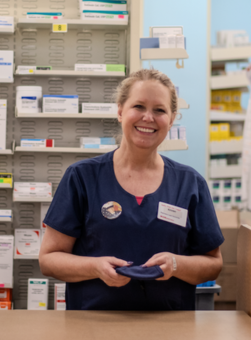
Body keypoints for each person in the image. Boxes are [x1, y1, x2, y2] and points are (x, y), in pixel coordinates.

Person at [39, 69, 224, 310]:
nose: (148, 117)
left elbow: (213, 263)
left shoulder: (190, 183)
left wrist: (177, 264)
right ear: (120, 111)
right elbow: (49, 260)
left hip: (169, 327)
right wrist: (95, 267)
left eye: (160, 110)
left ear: (172, 118)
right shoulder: (82, 177)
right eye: (138, 106)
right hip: (93, 326)